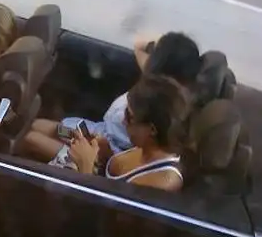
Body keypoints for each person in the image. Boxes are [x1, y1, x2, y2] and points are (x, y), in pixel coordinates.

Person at [25, 31, 201, 165]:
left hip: (101, 156)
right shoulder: (152, 80)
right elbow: (139, 44)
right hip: (95, 133)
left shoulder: (160, 110)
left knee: (29, 138)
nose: (125, 119)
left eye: (129, 117)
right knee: (38, 126)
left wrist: (96, 154)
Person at [66, 75, 190, 192]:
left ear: (152, 130)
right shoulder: (145, 147)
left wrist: (85, 166)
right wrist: (106, 154)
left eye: (130, 117)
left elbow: (99, 207)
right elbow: (114, 186)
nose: (123, 121)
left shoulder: (164, 182)